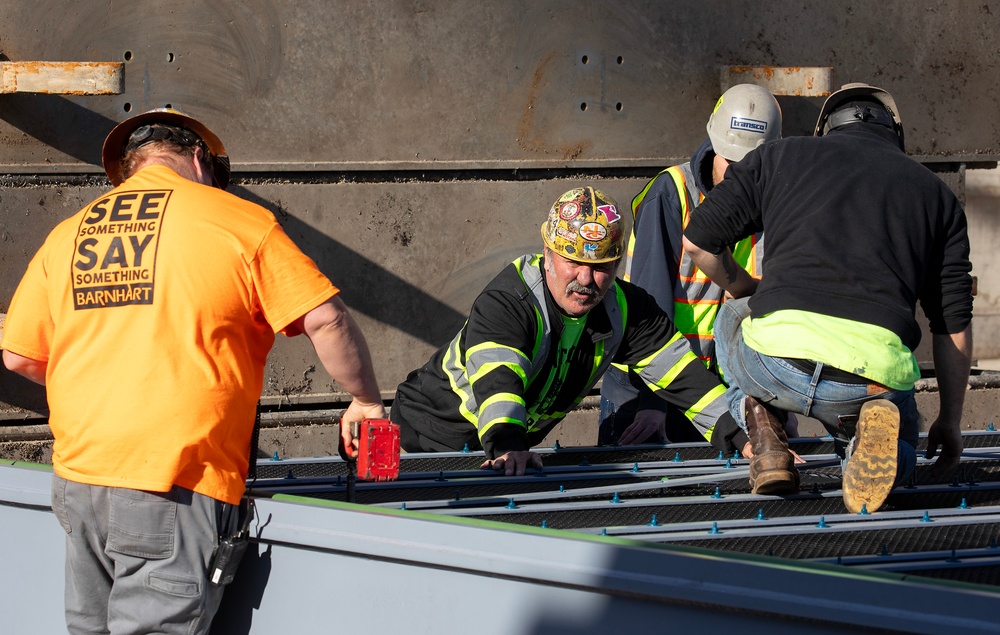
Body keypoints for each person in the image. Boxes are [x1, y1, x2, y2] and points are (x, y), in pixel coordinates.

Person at [0, 108, 386, 634]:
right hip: (173, 482)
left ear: (129, 170)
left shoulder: (67, 235)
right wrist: (365, 401)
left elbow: (20, 356)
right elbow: (324, 317)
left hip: (79, 482)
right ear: (201, 159)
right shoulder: (237, 221)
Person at [681, 83, 974, 512]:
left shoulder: (779, 157)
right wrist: (949, 421)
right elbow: (953, 327)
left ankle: (759, 422)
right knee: (901, 446)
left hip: (773, 366)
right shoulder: (938, 199)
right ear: (896, 135)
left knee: (735, 313)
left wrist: (744, 288)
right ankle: (864, 448)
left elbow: (697, 245)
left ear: (824, 129)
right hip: (867, 383)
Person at [390, 186, 737, 475]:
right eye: (573, 261)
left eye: (600, 266)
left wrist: (745, 436)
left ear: (617, 265)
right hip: (429, 435)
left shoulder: (629, 310)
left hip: (502, 450)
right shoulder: (510, 301)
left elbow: (686, 379)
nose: (586, 280)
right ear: (547, 253)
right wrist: (511, 446)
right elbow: (499, 389)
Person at [600, 84, 782, 455]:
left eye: (750, 167)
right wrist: (653, 403)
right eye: (730, 162)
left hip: (720, 388)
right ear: (713, 145)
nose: (737, 178)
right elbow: (649, 309)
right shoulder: (671, 194)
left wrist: (778, 401)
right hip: (647, 384)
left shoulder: (773, 203)